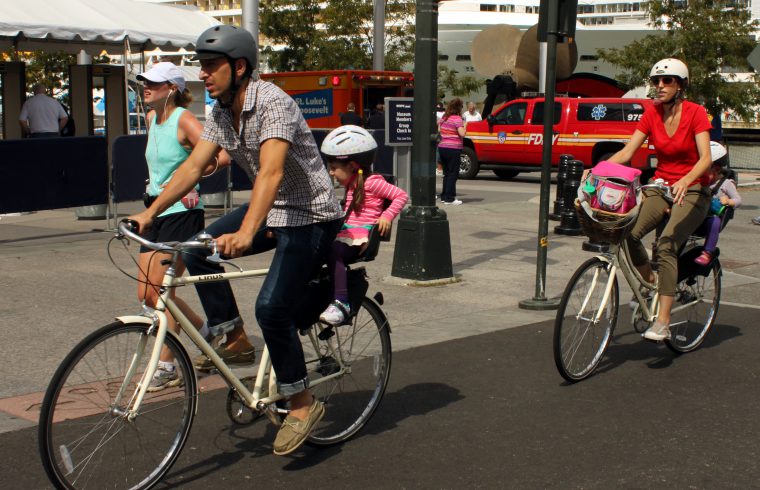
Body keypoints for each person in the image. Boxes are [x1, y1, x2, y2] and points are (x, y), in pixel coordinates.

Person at [129, 25, 344, 455]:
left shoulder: (273, 102)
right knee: (194, 248)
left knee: (271, 306)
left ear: (239, 66)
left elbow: (271, 172)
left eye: (211, 66)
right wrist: (150, 214)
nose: (203, 75)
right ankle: (233, 338)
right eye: (202, 67)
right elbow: (193, 166)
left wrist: (247, 232)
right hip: (271, 208)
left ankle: (301, 404)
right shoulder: (221, 112)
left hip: (311, 214)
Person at [136, 62, 230, 392]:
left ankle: (166, 365)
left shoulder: (184, 119)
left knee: (163, 292)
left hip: (182, 214)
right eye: (144, 81)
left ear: (172, 88)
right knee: (147, 294)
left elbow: (222, 157)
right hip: (155, 211)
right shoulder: (151, 119)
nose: (146, 86)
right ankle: (208, 333)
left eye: (154, 82)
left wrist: (193, 177)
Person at [606, 58, 712, 342]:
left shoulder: (696, 112)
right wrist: (598, 172)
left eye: (667, 81)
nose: (660, 86)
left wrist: (687, 180)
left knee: (666, 246)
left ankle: (663, 321)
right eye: (656, 81)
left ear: (680, 85)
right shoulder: (651, 113)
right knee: (626, 233)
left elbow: (706, 159)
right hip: (661, 186)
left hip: (693, 190)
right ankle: (651, 282)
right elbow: (627, 152)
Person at [318, 125, 408, 325]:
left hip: (360, 238)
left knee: (334, 252)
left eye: (333, 168)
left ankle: (342, 302)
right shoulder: (352, 184)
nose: (331, 173)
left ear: (351, 165)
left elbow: (401, 195)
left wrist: (387, 216)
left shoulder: (372, 182)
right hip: (348, 234)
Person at [694, 141, 741, 266]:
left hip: (709, 217)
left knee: (715, 221)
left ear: (716, 169)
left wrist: (728, 201)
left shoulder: (726, 184)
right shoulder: (696, 180)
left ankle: (707, 252)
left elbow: (738, 199)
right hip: (695, 215)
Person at [437, 98, 465, 205]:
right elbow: (462, 133)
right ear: (458, 107)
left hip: (443, 147)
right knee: (453, 173)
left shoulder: (444, 118)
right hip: (453, 148)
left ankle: (444, 196)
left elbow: (439, 129)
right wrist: (465, 126)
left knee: (447, 173)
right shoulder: (457, 119)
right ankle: (450, 198)